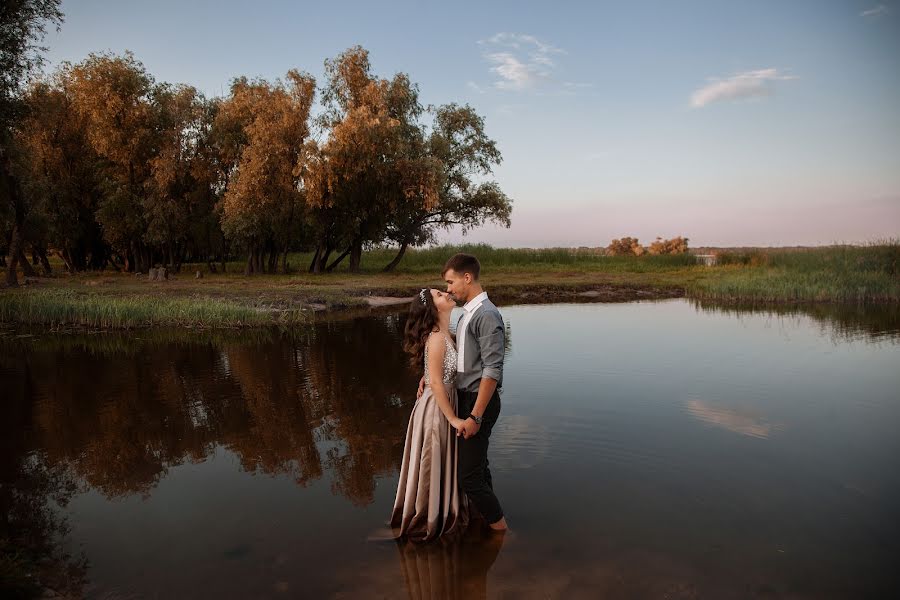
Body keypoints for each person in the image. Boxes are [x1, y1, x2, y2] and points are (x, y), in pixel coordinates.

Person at [391, 288, 469, 541]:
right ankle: (430, 516)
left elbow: (437, 371)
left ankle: (445, 507)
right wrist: (454, 419)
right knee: (432, 460)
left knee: (442, 460)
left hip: (445, 401)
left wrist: (427, 374)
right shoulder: (436, 337)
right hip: (437, 410)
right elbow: (437, 383)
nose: (446, 293)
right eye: (438, 294)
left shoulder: (447, 333)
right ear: (432, 309)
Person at [442, 253, 509, 532]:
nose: (448, 289)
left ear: (466, 278)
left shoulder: (487, 314)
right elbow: (465, 358)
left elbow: (492, 371)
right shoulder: (469, 312)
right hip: (469, 399)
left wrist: (475, 416)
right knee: (478, 470)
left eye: (450, 281)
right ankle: (490, 524)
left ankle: (502, 531)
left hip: (478, 403)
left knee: (469, 478)